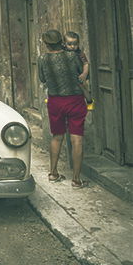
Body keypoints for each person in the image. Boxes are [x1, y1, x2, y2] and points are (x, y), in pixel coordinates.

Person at [38, 29, 88, 188]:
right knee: (77, 138)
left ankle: (53, 173)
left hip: (55, 101)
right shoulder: (73, 56)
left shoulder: (42, 59)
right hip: (75, 100)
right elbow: (83, 74)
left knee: (57, 136)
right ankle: (76, 180)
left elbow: (42, 78)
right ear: (61, 41)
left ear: (46, 44)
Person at [64, 31, 93, 105]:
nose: (73, 46)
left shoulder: (79, 53)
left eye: (75, 44)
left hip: (78, 74)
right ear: (64, 44)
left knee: (83, 87)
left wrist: (84, 73)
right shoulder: (63, 52)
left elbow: (86, 63)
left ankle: (89, 101)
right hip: (67, 75)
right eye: (69, 44)